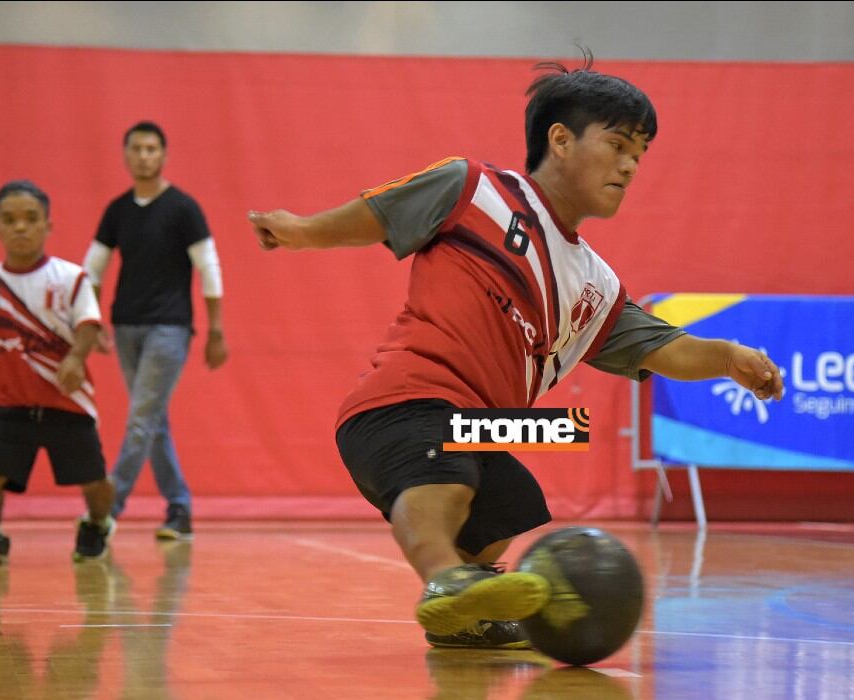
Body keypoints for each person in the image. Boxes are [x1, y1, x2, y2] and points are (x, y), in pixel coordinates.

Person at [247, 56, 784, 649]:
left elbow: (664, 347)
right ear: (560, 139)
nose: (631, 165)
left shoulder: (596, 285)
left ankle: (469, 611)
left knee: (519, 492)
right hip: (397, 404)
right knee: (447, 471)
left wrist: (728, 357)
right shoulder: (474, 188)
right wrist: (301, 230)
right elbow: (379, 214)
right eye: (617, 144)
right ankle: (443, 582)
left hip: (480, 426)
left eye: (641, 153)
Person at [83, 121, 229, 541]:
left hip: (170, 328)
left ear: (163, 155)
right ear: (126, 155)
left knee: (140, 420)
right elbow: (92, 267)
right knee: (152, 421)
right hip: (125, 325)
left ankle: (106, 511)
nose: (144, 156)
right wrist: (91, 322)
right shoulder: (118, 210)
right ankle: (179, 510)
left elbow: (209, 268)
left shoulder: (183, 208)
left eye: (152, 149)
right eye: (137, 149)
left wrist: (215, 329)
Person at [0, 180, 116, 564]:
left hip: (66, 402)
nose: (21, 227)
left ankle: (96, 524)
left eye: (31, 219)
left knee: (95, 483)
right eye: (10, 220)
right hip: (9, 405)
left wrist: (76, 358)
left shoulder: (70, 278)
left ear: (48, 225)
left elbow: (89, 324)